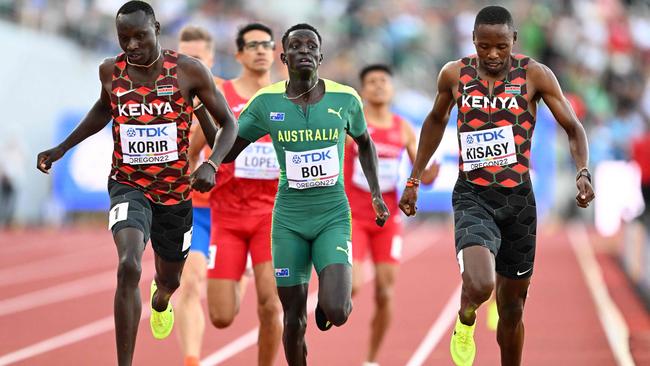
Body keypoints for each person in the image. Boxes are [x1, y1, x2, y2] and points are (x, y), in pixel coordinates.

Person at [35, 2, 238, 366]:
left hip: (175, 192)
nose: (131, 45)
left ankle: (161, 300)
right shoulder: (110, 71)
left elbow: (229, 125)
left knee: (170, 279)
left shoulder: (189, 72)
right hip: (128, 184)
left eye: (139, 36)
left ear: (157, 29)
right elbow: (102, 109)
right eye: (123, 37)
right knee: (129, 264)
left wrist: (211, 163)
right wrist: (62, 147)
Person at [398, 6, 594, 366]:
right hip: (473, 194)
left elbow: (573, 127)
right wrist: (414, 177)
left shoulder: (535, 75)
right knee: (480, 285)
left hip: (518, 201)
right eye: (484, 46)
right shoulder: (454, 74)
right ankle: (466, 318)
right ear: (473, 41)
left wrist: (582, 171)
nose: (492, 54)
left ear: (513, 41)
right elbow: (435, 120)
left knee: (512, 310)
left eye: (501, 46)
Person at [220, 23, 389, 366]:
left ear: (321, 55)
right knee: (293, 317)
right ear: (283, 57)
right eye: (295, 46)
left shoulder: (346, 98)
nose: (304, 51)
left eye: (311, 46)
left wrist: (375, 193)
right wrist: (210, 160)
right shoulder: (266, 103)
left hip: (332, 216)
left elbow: (366, 144)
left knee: (338, 309)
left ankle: (327, 308)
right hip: (289, 221)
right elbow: (230, 148)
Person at [192, 23, 283, 366]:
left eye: (266, 44)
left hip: (271, 216)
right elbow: (194, 148)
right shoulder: (221, 95)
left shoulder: (288, 96)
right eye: (253, 45)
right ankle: (240, 270)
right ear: (240, 54)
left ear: (275, 52)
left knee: (271, 303)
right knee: (221, 316)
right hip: (226, 217)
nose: (261, 50)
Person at [344, 64, 439, 366]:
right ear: (363, 91)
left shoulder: (402, 127)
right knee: (353, 285)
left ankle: (371, 359)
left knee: (385, 292)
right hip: (353, 217)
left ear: (392, 88)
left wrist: (429, 174)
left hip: (387, 221)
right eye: (371, 82)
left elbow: (421, 176)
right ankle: (331, 302)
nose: (378, 86)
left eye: (383, 81)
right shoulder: (351, 124)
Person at [174, 25, 224, 366]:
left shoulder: (230, 95)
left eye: (198, 57)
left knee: (225, 307)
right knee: (191, 284)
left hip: (233, 209)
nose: (190, 63)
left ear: (212, 58)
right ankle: (192, 359)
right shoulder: (163, 93)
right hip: (190, 208)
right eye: (184, 56)